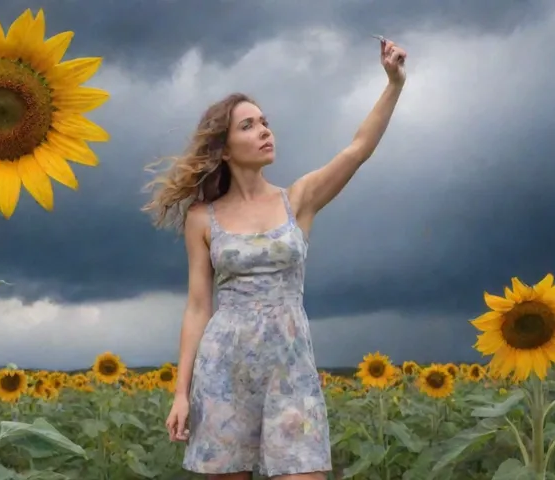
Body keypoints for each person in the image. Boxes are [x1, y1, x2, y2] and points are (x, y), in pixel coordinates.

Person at [142, 37, 408, 480]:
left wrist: (394, 83)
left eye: (265, 122)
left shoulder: (298, 199)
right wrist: (181, 392)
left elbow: (357, 149)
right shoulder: (202, 219)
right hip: (224, 369)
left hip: (290, 370)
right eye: (248, 125)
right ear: (224, 149)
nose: (265, 130)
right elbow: (197, 306)